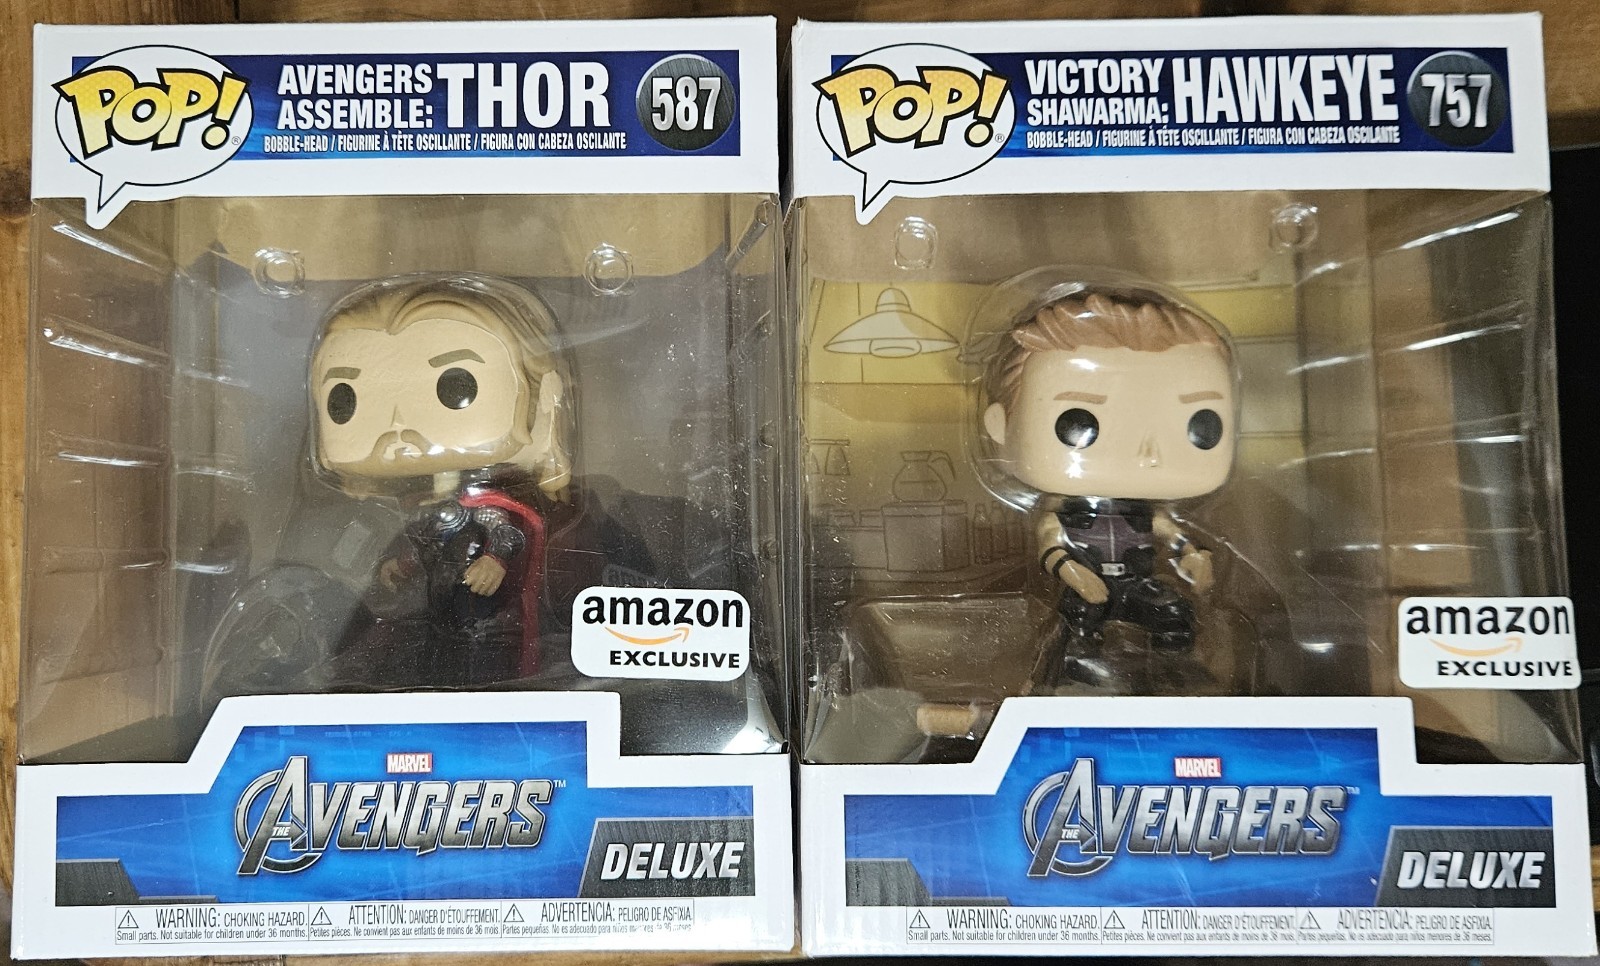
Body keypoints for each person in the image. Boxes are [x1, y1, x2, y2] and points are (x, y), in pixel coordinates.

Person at [309, 274, 572, 686]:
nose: (397, 426)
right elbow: (427, 538)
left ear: (540, 401)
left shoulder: (494, 502)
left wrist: (496, 559)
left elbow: (509, 528)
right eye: (345, 399)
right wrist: (402, 563)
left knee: (480, 655)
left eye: (457, 386)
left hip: (486, 616)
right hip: (435, 608)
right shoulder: (417, 504)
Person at [981, 286, 1236, 691]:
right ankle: (1071, 683)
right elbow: (1050, 546)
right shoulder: (1062, 512)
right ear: (1001, 427)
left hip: (1138, 583)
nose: (1147, 454)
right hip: (1087, 585)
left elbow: (1171, 535)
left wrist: (1192, 556)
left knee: (1174, 616)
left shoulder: (1149, 512)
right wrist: (1073, 572)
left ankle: (1176, 680)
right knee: (1078, 628)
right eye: (1078, 423)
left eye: (1201, 425)